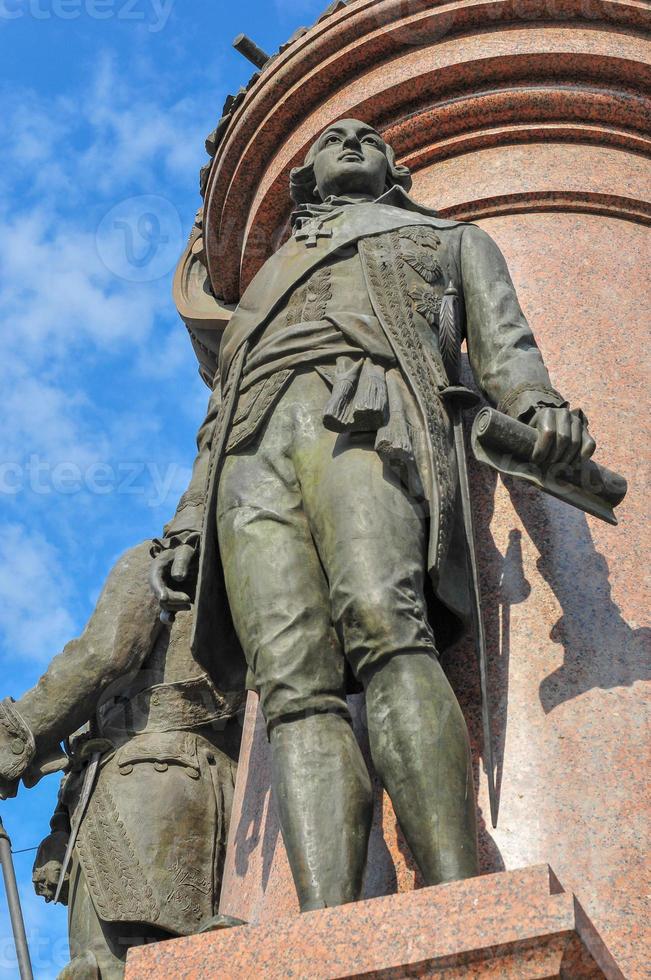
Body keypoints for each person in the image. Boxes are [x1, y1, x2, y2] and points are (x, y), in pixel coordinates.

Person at [150, 119, 595, 911]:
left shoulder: (448, 239)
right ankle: (323, 924)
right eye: (331, 139)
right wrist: (190, 520)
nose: (349, 140)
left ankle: (456, 888)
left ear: (395, 166)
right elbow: (216, 419)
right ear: (307, 179)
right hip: (250, 456)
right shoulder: (266, 280)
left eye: (366, 136)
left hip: (365, 416)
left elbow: (505, 345)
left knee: (386, 625)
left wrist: (539, 405)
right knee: (289, 681)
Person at [0, 542, 242, 978]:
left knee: (109, 970)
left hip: (146, 793)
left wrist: (6, 742)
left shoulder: (160, 558)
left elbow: (99, 658)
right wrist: (60, 827)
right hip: (174, 790)